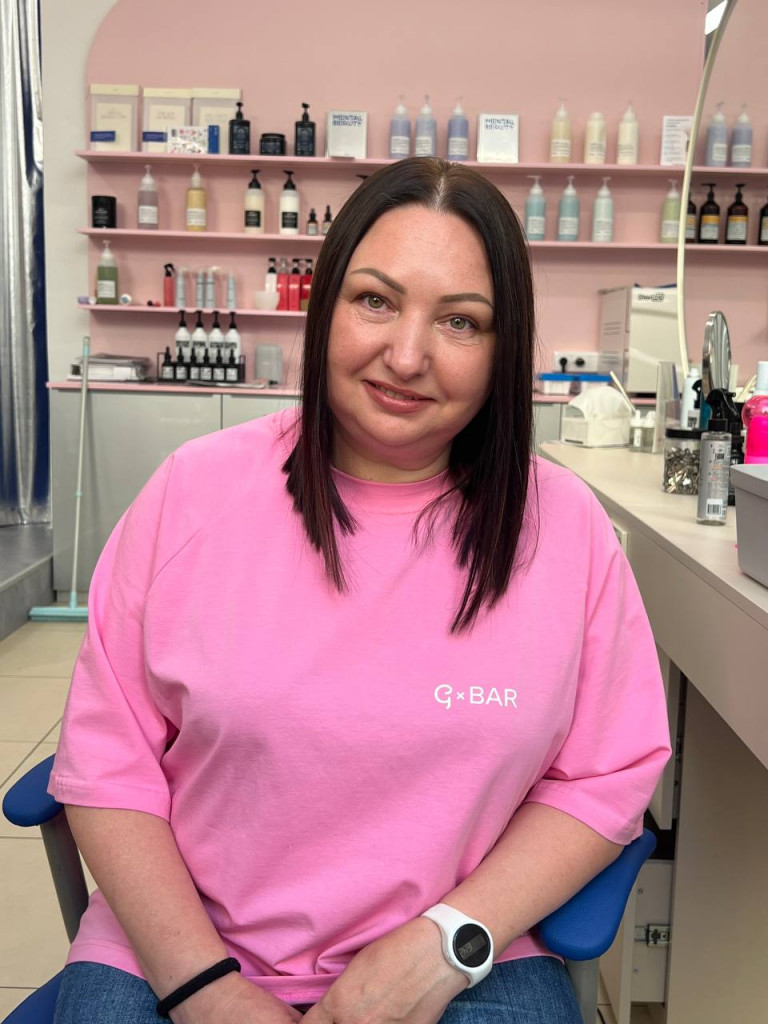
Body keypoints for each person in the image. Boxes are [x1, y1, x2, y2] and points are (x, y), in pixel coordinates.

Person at [50, 157, 671, 1024]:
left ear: (503, 349)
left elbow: (606, 777)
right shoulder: (193, 491)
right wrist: (201, 988)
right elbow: (107, 765)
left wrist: (450, 940)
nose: (407, 357)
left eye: (460, 321)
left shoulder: (563, 527)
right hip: (177, 950)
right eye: (376, 301)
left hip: (465, 958)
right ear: (326, 304)